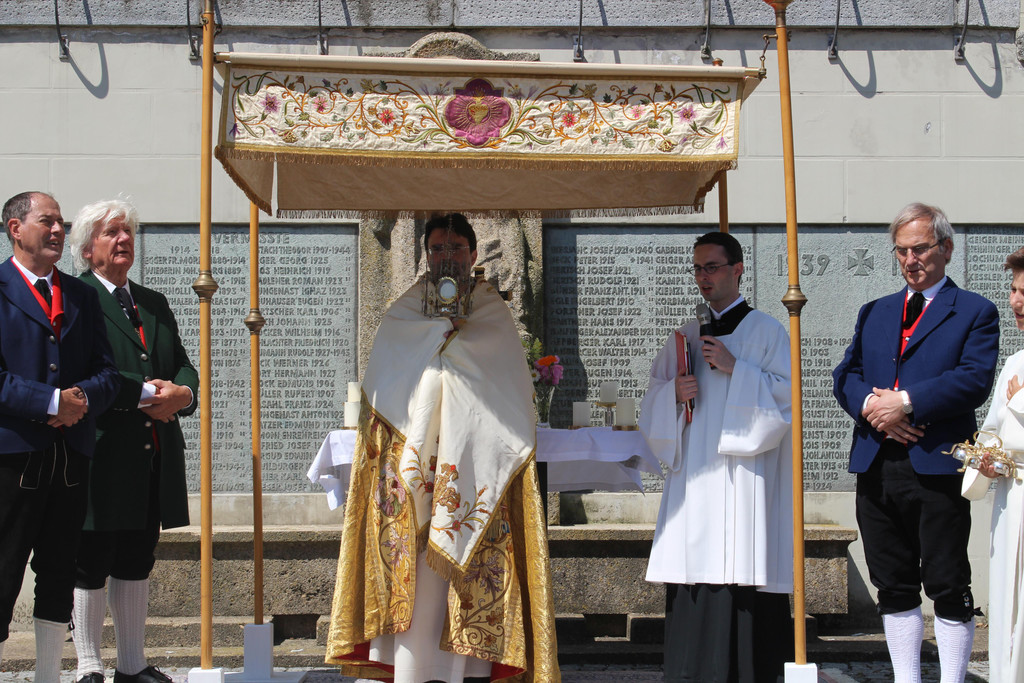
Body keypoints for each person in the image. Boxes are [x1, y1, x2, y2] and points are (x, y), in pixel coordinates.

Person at [324, 213, 559, 682]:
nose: (446, 257)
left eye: (455, 248)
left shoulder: (492, 312)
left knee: (471, 575)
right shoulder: (404, 311)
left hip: (475, 467)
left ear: (473, 254)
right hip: (415, 474)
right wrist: (436, 337)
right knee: (418, 584)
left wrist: (451, 352)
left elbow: (507, 391)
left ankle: (469, 670)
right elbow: (386, 382)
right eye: (437, 249)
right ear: (425, 255)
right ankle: (412, 668)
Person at [833, 202, 999, 683]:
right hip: (878, 462)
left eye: (921, 249)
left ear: (946, 248)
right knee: (892, 580)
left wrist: (905, 402)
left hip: (937, 464)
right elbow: (847, 374)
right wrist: (875, 408)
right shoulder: (876, 311)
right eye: (902, 251)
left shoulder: (974, 311)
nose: (910, 259)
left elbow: (973, 380)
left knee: (947, 580)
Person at [638, 231, 794, 683]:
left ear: (737, 269)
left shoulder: (767, 331)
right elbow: (652, 401)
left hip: (745, 476)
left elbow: (786, 402)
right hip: (696, 478)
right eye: (698, 269)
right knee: (696, 565)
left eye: (712, 267)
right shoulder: (686, 336)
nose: (703, 277)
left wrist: (735, 368)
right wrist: (673, 394)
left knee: (744, 564)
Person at [66, 200, 198, 683]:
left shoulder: (153, 302)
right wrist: (145, 394)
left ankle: (132, 664)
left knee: (137, 558)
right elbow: (81, 371)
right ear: (87, 249)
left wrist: (183, 393)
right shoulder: (76, 296)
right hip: (103, 453)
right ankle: (88, 665)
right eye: (111, 232)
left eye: (127, 232)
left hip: (151, 455)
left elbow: (181, 364)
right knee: (92, 559)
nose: (123, 239)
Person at [0, 192, 119, 683]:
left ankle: (49, 675)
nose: (57, 230)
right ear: (15, 229)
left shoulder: (81, 295)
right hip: (13, 459)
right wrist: (51, 402)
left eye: (60, 222)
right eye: (46, 221)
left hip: (69, 457)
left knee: (58, 571)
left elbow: (108, 373)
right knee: (3, 569)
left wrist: (80, 399)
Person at [960, 246, 1024, 681]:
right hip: (1010, 500)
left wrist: (1019, 404)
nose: (1015, 301)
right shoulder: (1015, 362)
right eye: (1014, 290)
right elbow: (994, 433)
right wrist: (986, 461)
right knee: (1006, 606)